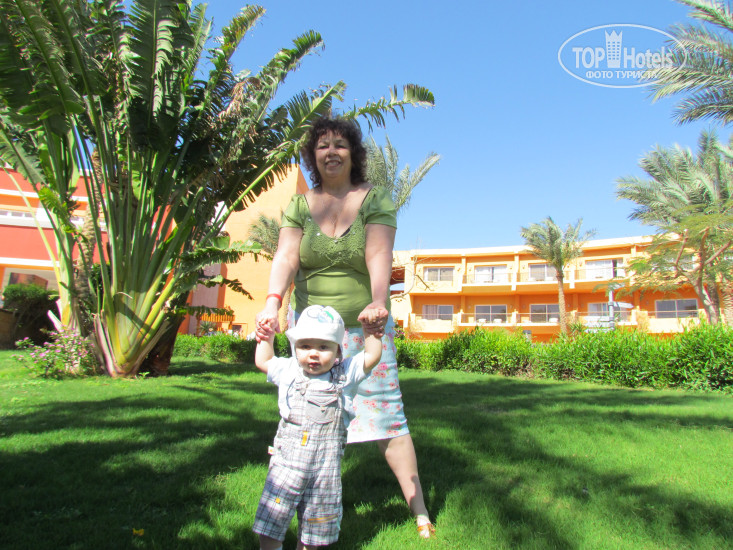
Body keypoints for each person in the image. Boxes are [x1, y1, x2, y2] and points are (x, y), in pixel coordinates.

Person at [255, 116, 435, 539]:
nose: (331, 152)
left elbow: (378, 254)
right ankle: (297, 503)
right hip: (312, 335)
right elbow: (286, 257)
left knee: (387, 417)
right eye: (322, 146)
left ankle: (420, 510)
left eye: (340, 144)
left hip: (364, 328)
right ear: (312, 155)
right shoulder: (300, 205)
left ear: (353, 153)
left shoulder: (375, 199)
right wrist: (272, 301)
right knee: (306, 418)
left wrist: (378, 302)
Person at [253, 304, 383, 550]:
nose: (313, 354)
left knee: (315, 533)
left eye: (323, 347)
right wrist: (266, 336)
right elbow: (264, 360)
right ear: (295, 348)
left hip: (325, 471)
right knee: (271, 521)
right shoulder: (290, 370)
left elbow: (371, 357)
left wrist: (370, 333)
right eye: (305, 346)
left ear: (337, 351)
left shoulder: (345, 374)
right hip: (286, 466)